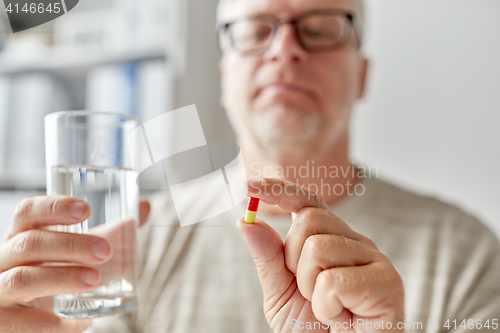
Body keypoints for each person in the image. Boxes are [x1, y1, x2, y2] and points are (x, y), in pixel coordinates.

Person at [1, 0, 499, 332]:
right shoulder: (133, 249)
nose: (285, 50)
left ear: (362, 75)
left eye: (321, 29)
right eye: (257, 30)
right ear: (225, 77)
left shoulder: (466, 257)